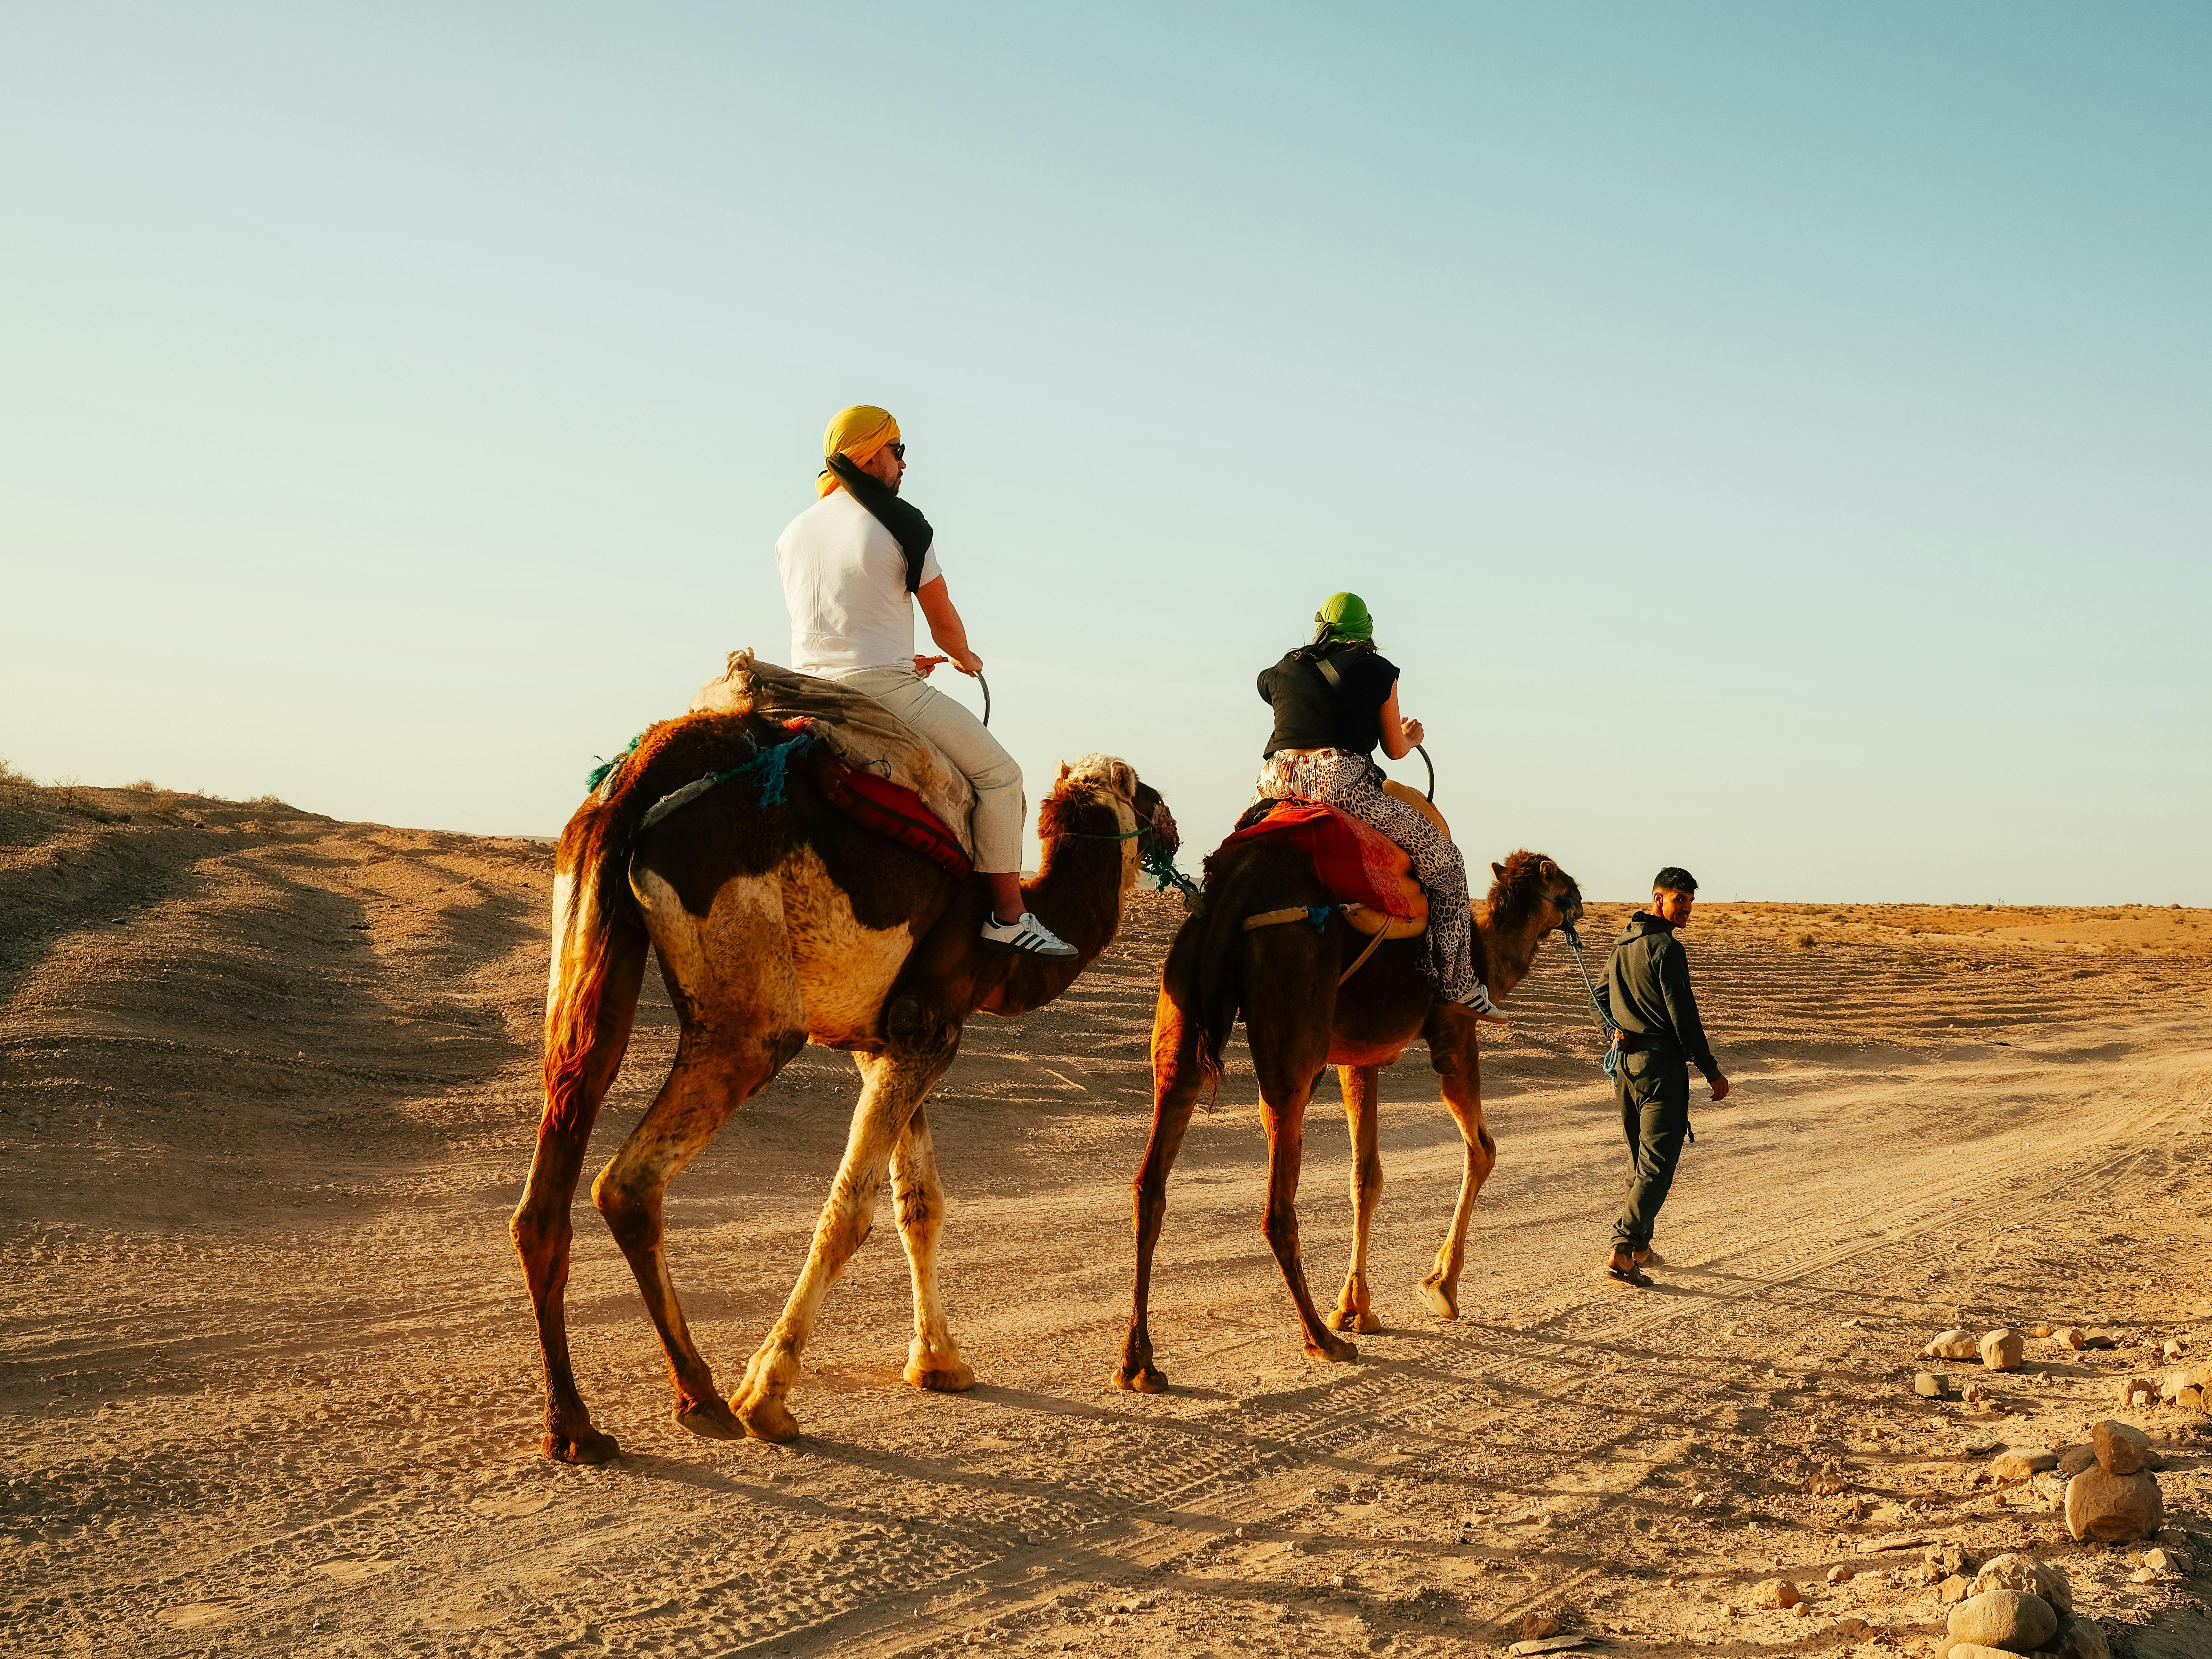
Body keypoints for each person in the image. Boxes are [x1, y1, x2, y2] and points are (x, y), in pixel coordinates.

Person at [773, 404, 1075, 958]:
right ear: (868, 454)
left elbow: (843, 625)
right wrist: (965, 657)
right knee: (1002, 776)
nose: (904, 463)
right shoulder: (901, 521)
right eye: (898, 450)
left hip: (801, 691)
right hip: (880, 691)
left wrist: (903, 655)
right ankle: (1009, 914)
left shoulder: (794, 532)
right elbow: (945, 624)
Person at [1251, 593, 1498, 1016]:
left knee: (1238, 848)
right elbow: (1394, 750)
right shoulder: (1378, 671)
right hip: (1339, 782)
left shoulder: (1281, 669)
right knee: (1445, 863)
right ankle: (1457, 983)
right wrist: (1412, 737)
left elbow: (1298, 710)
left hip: (1275, 781)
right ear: (1365, 631)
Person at [1598, 867, 1730, 1287]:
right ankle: (1622, 1254)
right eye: (1680, 900)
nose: (1687, 909)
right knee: (1655, 1166)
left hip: (1624, 1068)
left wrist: (1610, 1028)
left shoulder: (1623, 943)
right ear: (1658, 899)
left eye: (1690, 902)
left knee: (1641, 1161)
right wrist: (1710, 1069)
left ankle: (1639, 1247)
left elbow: (1598, 995)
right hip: (1660, 1071)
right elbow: (1683, 1016)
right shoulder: (1665, 948)